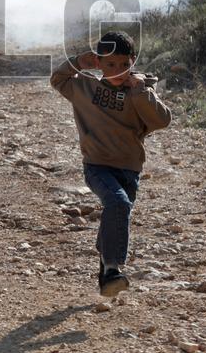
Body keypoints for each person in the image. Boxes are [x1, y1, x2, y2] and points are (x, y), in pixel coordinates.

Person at [50, 30, 171, 297]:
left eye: (124, 65)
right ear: (99, 64)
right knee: (118, 204)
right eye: (110, 65)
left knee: (117, 215)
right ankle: (114, 269)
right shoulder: (85, 87)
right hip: (97, 166)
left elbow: (163, 120)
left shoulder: (139, 91)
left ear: (132, 61)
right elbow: (58, 78)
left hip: (130, 170)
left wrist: (140, 90)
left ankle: (106, 277)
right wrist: (79, 62)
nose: (117, 71)